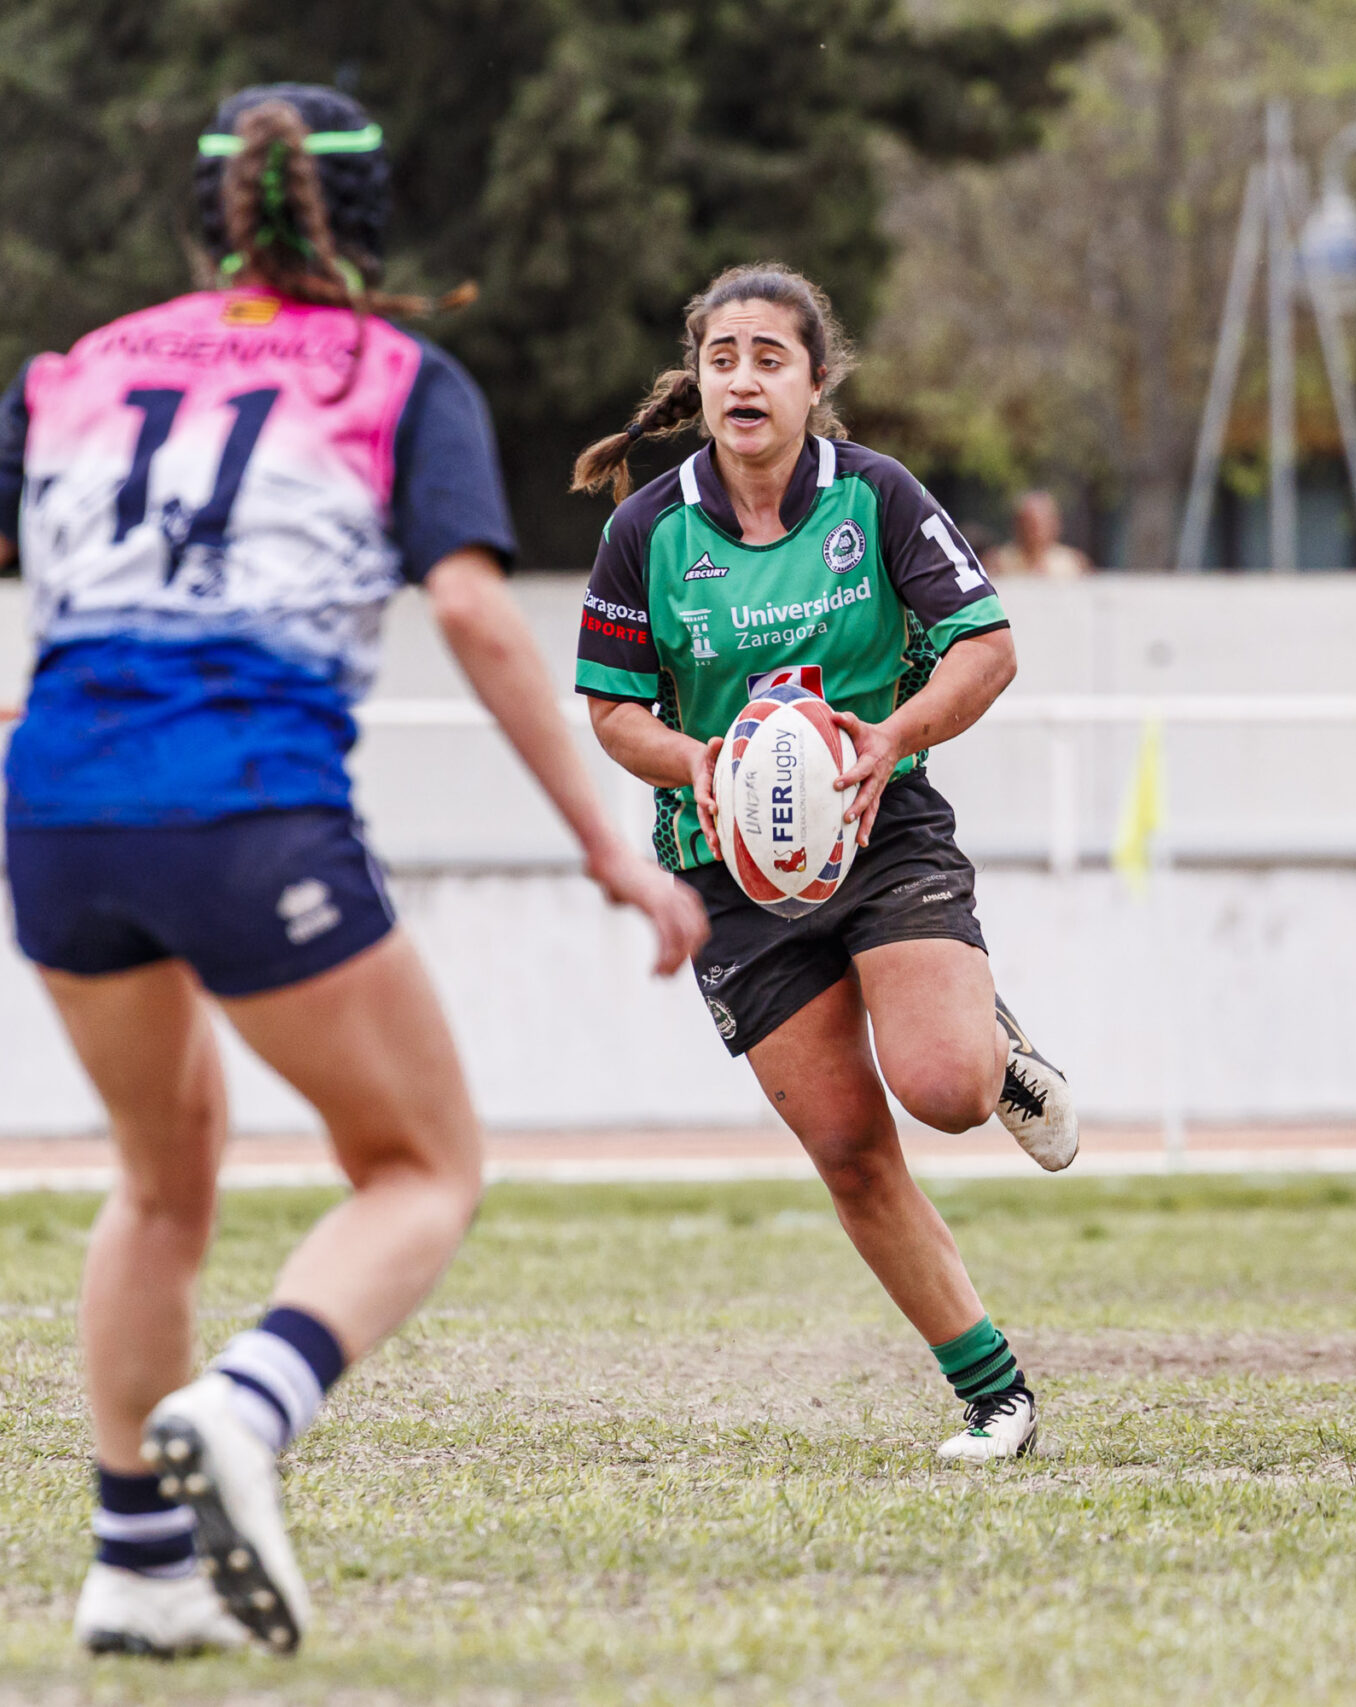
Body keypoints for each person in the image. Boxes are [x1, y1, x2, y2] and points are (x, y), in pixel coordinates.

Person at [0, 84, 706, 1660]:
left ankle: (136, 1567)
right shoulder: (398, 374)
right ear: (369, 225)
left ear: (210, 216)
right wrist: (607, 848)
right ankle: (244, 1402)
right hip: (247, 806)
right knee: (422, 1162)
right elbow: (484, 621)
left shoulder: (81, 368)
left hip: (58, 809)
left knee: (161, 1176)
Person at [569, 262, 1080, 1466]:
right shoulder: (647, 529)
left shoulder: (877, 499)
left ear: (814, 382)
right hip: (725, 870)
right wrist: (701, 763)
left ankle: (993, 1045)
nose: (742, 378)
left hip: (879, 826)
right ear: (696, 381)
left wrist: (891, 736)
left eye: (768, 358)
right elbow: (610, 713)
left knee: (947, 1092)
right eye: (722, 358)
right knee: (849, 1151)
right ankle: (995, 1398)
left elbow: (987, 649)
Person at [985, 489, 1093, 579]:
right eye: (1029, 522)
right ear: (1017, 524)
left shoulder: (1073, 564)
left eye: (1042, 521)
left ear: (1055, 523)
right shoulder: (998, 563)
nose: (1035, 529)